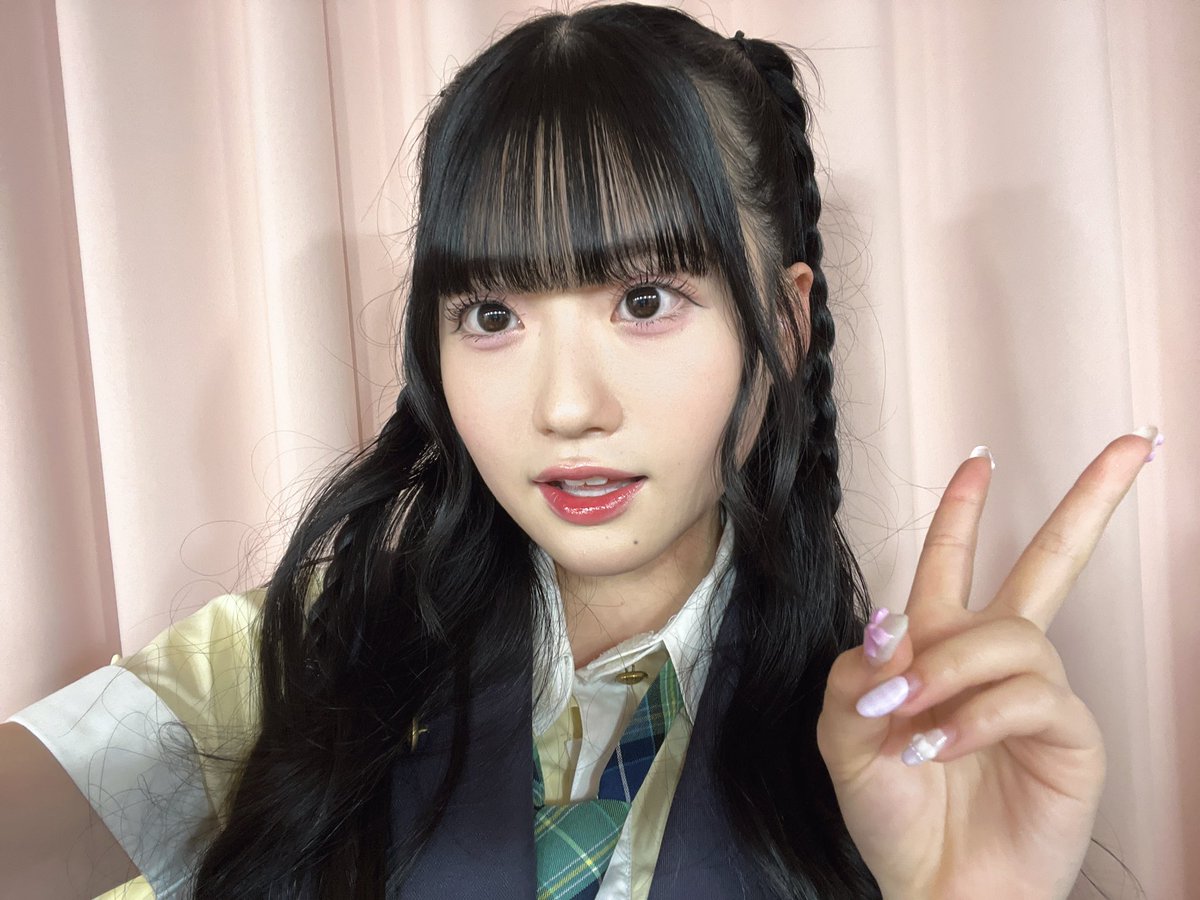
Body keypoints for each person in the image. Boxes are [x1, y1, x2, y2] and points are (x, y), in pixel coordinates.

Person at [0, 3, 1161, 898]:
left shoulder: (896, 754)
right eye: (491, 314)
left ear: (785, 322)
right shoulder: (303, 665)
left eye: (645, 300)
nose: (564, 407)